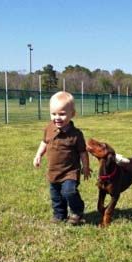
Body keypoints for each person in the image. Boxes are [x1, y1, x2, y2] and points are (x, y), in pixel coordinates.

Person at [33, 91, 91, 225]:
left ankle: (77, 211)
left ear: (72, 114)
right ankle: (60, 215)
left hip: (70, 172)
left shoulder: (76, 134)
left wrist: (86, 167)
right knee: (56, 196)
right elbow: (44, 142)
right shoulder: (49, 128)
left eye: (62, 114)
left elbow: (83, 152)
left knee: (69, 192)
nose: (57, 117)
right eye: (54, 114)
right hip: (53, 171)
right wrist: (38, 155)